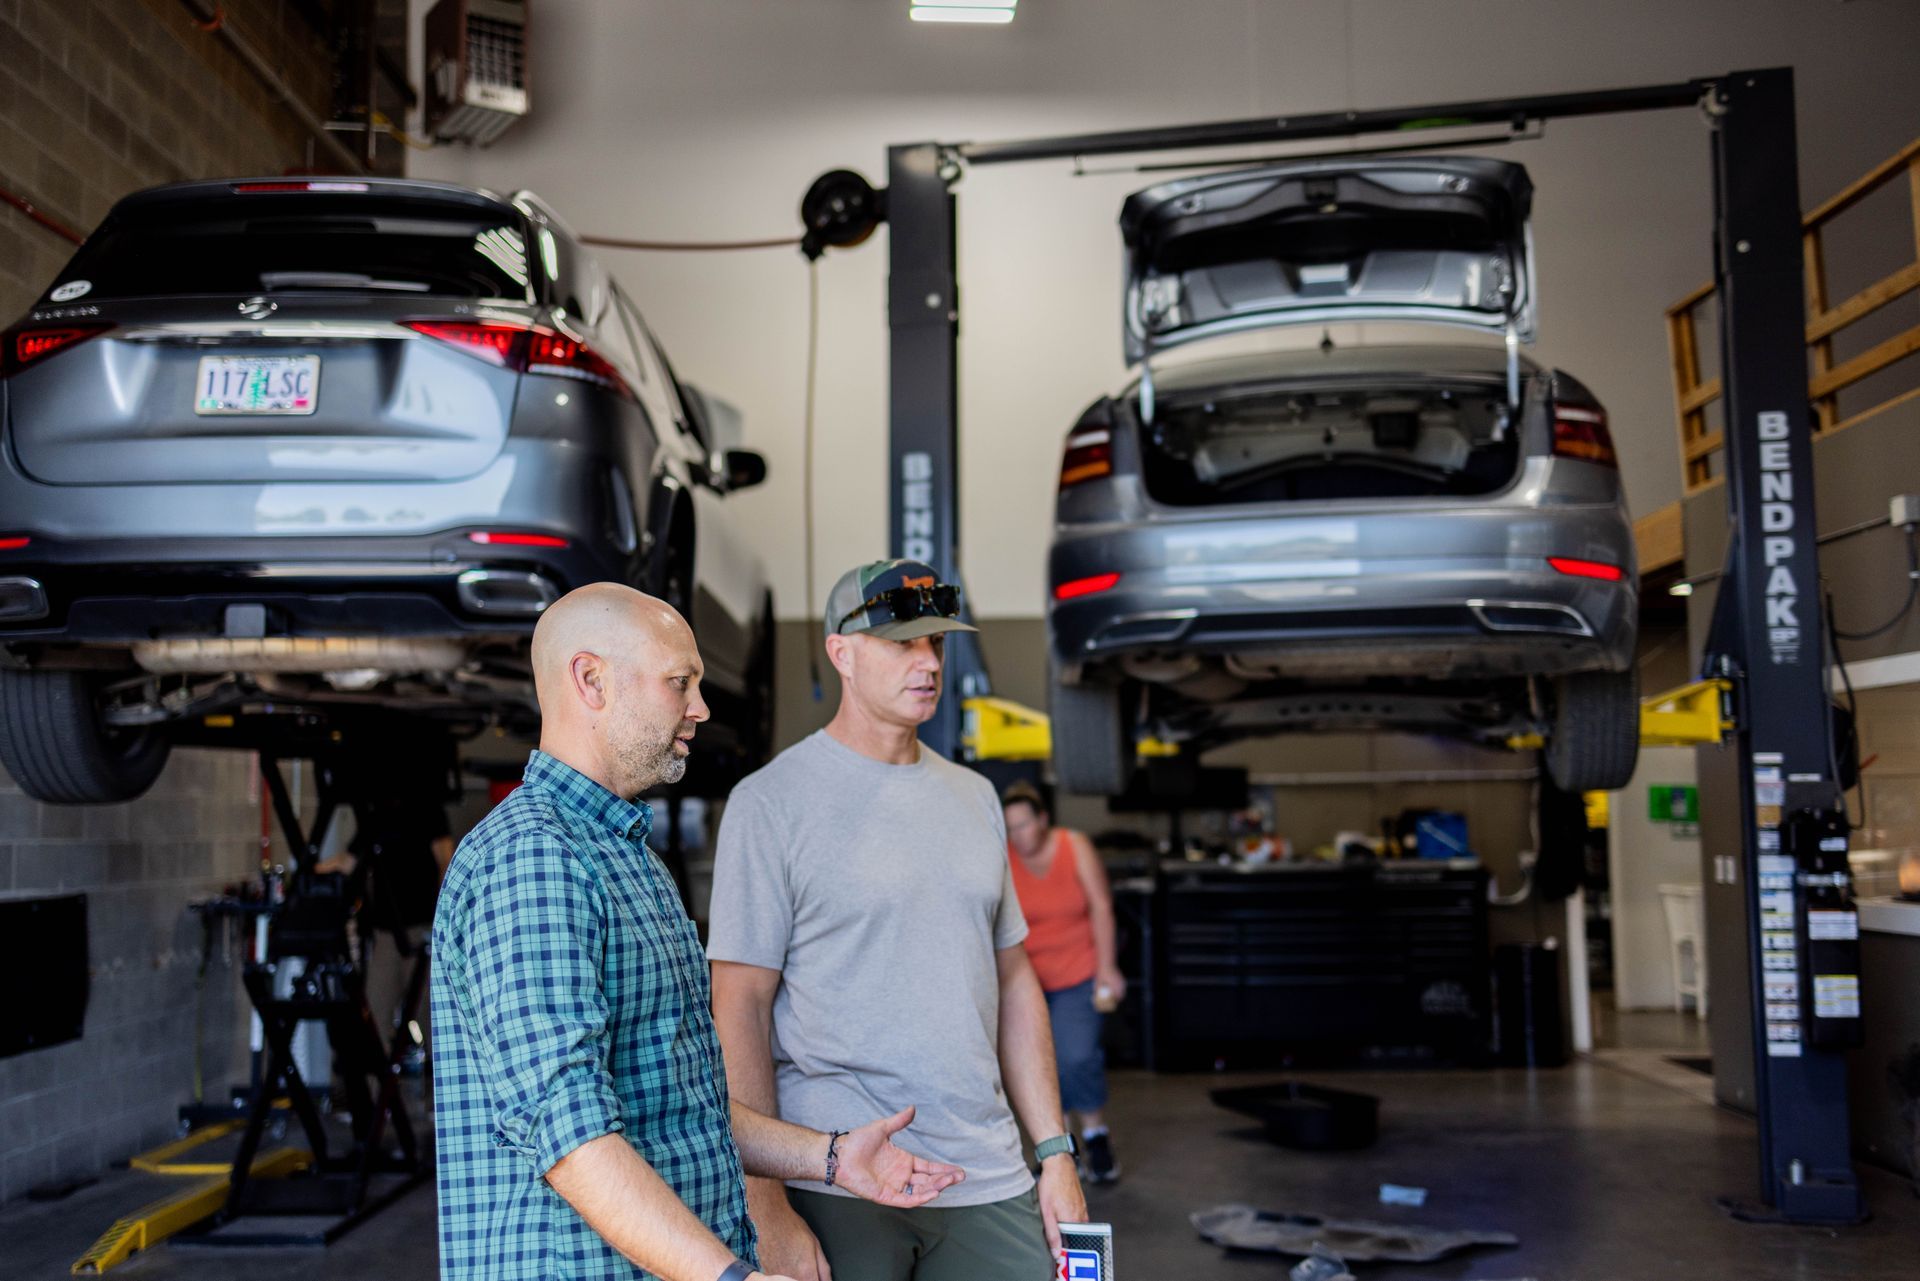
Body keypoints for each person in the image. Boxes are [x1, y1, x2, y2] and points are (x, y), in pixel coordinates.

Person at [431, 583, 965, 1281]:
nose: (701, 708)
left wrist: (830, 1157)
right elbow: (571, 1137)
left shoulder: (625, 855)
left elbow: (681, 1102)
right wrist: (729, 1276)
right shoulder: (533, 860)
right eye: (679, 682)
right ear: (591, 680)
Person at [709, 559, 1088, 1281]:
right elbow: (740, 1004)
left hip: (984, 1168)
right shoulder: (770, 803)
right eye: (902, 643)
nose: (929, 662)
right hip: (838, 1172)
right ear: (841, 653)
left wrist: (1055, 1153)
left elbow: (1015, 981)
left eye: (936, 642)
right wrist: (767, 1206)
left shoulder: (976, 797)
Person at [1000, 781, 1124, 1184]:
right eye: (1010, 828)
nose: (1018, 835)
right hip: (1027, 981)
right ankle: (1060, 1150)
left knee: (1077, 1057)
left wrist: (1107, 968)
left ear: (1043, 820)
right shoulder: (1003, 857)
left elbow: (1101, 907)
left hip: (1078, 971)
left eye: (1023, 825)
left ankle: (1096, 1133)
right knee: (1039, 1065)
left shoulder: (1074, 846)